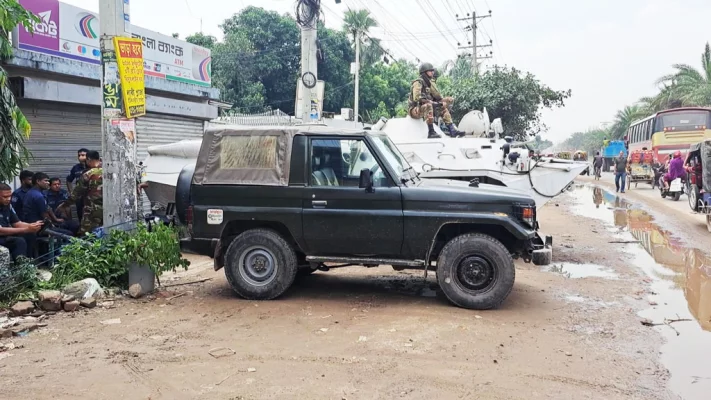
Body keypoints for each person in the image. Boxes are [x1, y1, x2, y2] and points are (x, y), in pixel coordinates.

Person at [58, 151, 103, 236]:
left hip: (92, 211)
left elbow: (76, 193)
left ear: (89, 159)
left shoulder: (88, 174)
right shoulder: (111, 170)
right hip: (110, 211)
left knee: (87, 235)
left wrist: (65, 205)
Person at [0, 183, 42, 261]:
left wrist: (32, 225)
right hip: (1, 235)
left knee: (30, 235)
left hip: (5, 236)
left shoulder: (8, 205)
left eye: (10, 196)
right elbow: (1, 231)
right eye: (5, 197)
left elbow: (17, 223)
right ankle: (20, 267)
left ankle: (29, 262)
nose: (9, 199)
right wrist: (26, 229)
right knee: (19, 241)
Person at [408, 62, 441, 139]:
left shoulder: (428, 83)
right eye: (430, 71)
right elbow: (417, 98)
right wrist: (430, 102)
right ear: (425, 72)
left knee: (442, 105)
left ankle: (450, 129)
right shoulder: (418, 82)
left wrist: (438, 103)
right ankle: (431, 131)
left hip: (421, 108)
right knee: (428, 105)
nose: (432, 72)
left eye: (432, 71)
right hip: (414, 109)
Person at [430, 69, 464, 137]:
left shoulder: (425, 82)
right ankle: (451, 129)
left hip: (430, 103)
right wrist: (445, 100)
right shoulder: (431, 82)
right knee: (444, 107)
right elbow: (437, 95)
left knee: (445, 107)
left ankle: (452, 129)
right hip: (427, 105)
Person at [66, 148, 88, 222]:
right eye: (79, 155)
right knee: (80, 215)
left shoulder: (93, 166)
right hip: (79, 197)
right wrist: (72, 193)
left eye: (83, 155)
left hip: (90, 196)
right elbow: (69, 180)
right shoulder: (76, 168)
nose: (80, 157)